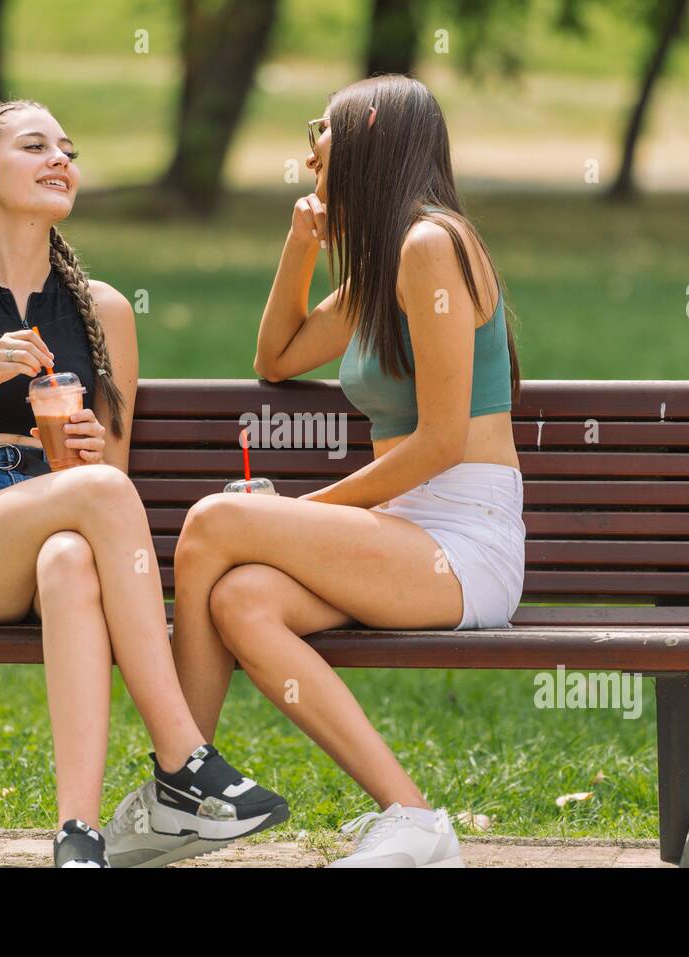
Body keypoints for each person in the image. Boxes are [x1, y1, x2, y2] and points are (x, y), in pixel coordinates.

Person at [106, 74, 527, 869]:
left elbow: (440, 442)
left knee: (215, 522)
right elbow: (275, 355)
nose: (308, 156)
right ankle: (411, 816)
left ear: (368, 130)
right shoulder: (381, 263)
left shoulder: (432, 245)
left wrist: (302, 514)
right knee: (242, 596)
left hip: (465, 544)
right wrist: (303, 242)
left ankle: (180, 788)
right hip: (406, 537)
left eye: (319, 134)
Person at [0, 99, 286, 868]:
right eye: (35, 146)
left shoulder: (104, 311)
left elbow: (109, 487)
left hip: (54, 521)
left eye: (68, 148)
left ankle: (78, 833)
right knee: (83, 512)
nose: (60, 159)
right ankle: (183, 760)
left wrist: (84, 453)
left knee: (70, 557)